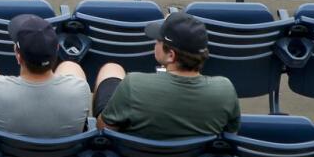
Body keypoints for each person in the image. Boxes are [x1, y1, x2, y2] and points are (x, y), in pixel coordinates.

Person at [93, 12, 240, 139]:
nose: (155, 43)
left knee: (111, 70)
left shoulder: (134, 84)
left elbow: (104, 129)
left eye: (158, 40)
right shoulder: (225, 90)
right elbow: (231, 134)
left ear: (171, 55)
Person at [0, 14, 91, 138]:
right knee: (70, 65)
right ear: (57, 49)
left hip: (10, 156)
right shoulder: (81, 89)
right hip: (64, 156)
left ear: (18, 55)